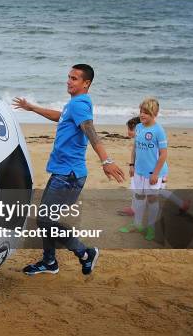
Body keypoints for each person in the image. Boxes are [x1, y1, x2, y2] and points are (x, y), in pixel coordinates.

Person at [13, 64, 124, 276]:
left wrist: (106, 161)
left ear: (86, 83)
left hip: (68, 176)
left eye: (74, 78)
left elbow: (90, 132)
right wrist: (33, 108)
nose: (68, 81)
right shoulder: (74, 104)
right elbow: (60, 116)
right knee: (48, 219)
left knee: (45, 220)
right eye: (68, 77)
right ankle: (49, 262)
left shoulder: (79, 105)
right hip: (62, 172)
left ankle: (85, 252)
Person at [118, 98, 171, 241]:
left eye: (146, 112)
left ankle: (151, 228)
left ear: (154, 113)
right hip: (139, 171)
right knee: (139, 197)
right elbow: (135, 147)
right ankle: (137, 224)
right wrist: (131, 165)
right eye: (141, 111)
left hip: (153, 173)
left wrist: (155, 173)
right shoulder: (139, 127)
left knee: (152, 199)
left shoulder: (158, 130)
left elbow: (163, 154)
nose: (142, 115)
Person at [117, 115, 188, 219]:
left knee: (158, 191)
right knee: (138, 188)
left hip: (156, 172)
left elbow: (161, 156)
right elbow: (134, 151)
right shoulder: (138, 139)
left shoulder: (153, 136)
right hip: (142, 170)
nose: (128, 132)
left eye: (130, 129)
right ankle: (134, 208)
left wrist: (160, 175)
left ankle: (182, 204)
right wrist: (132, 165)